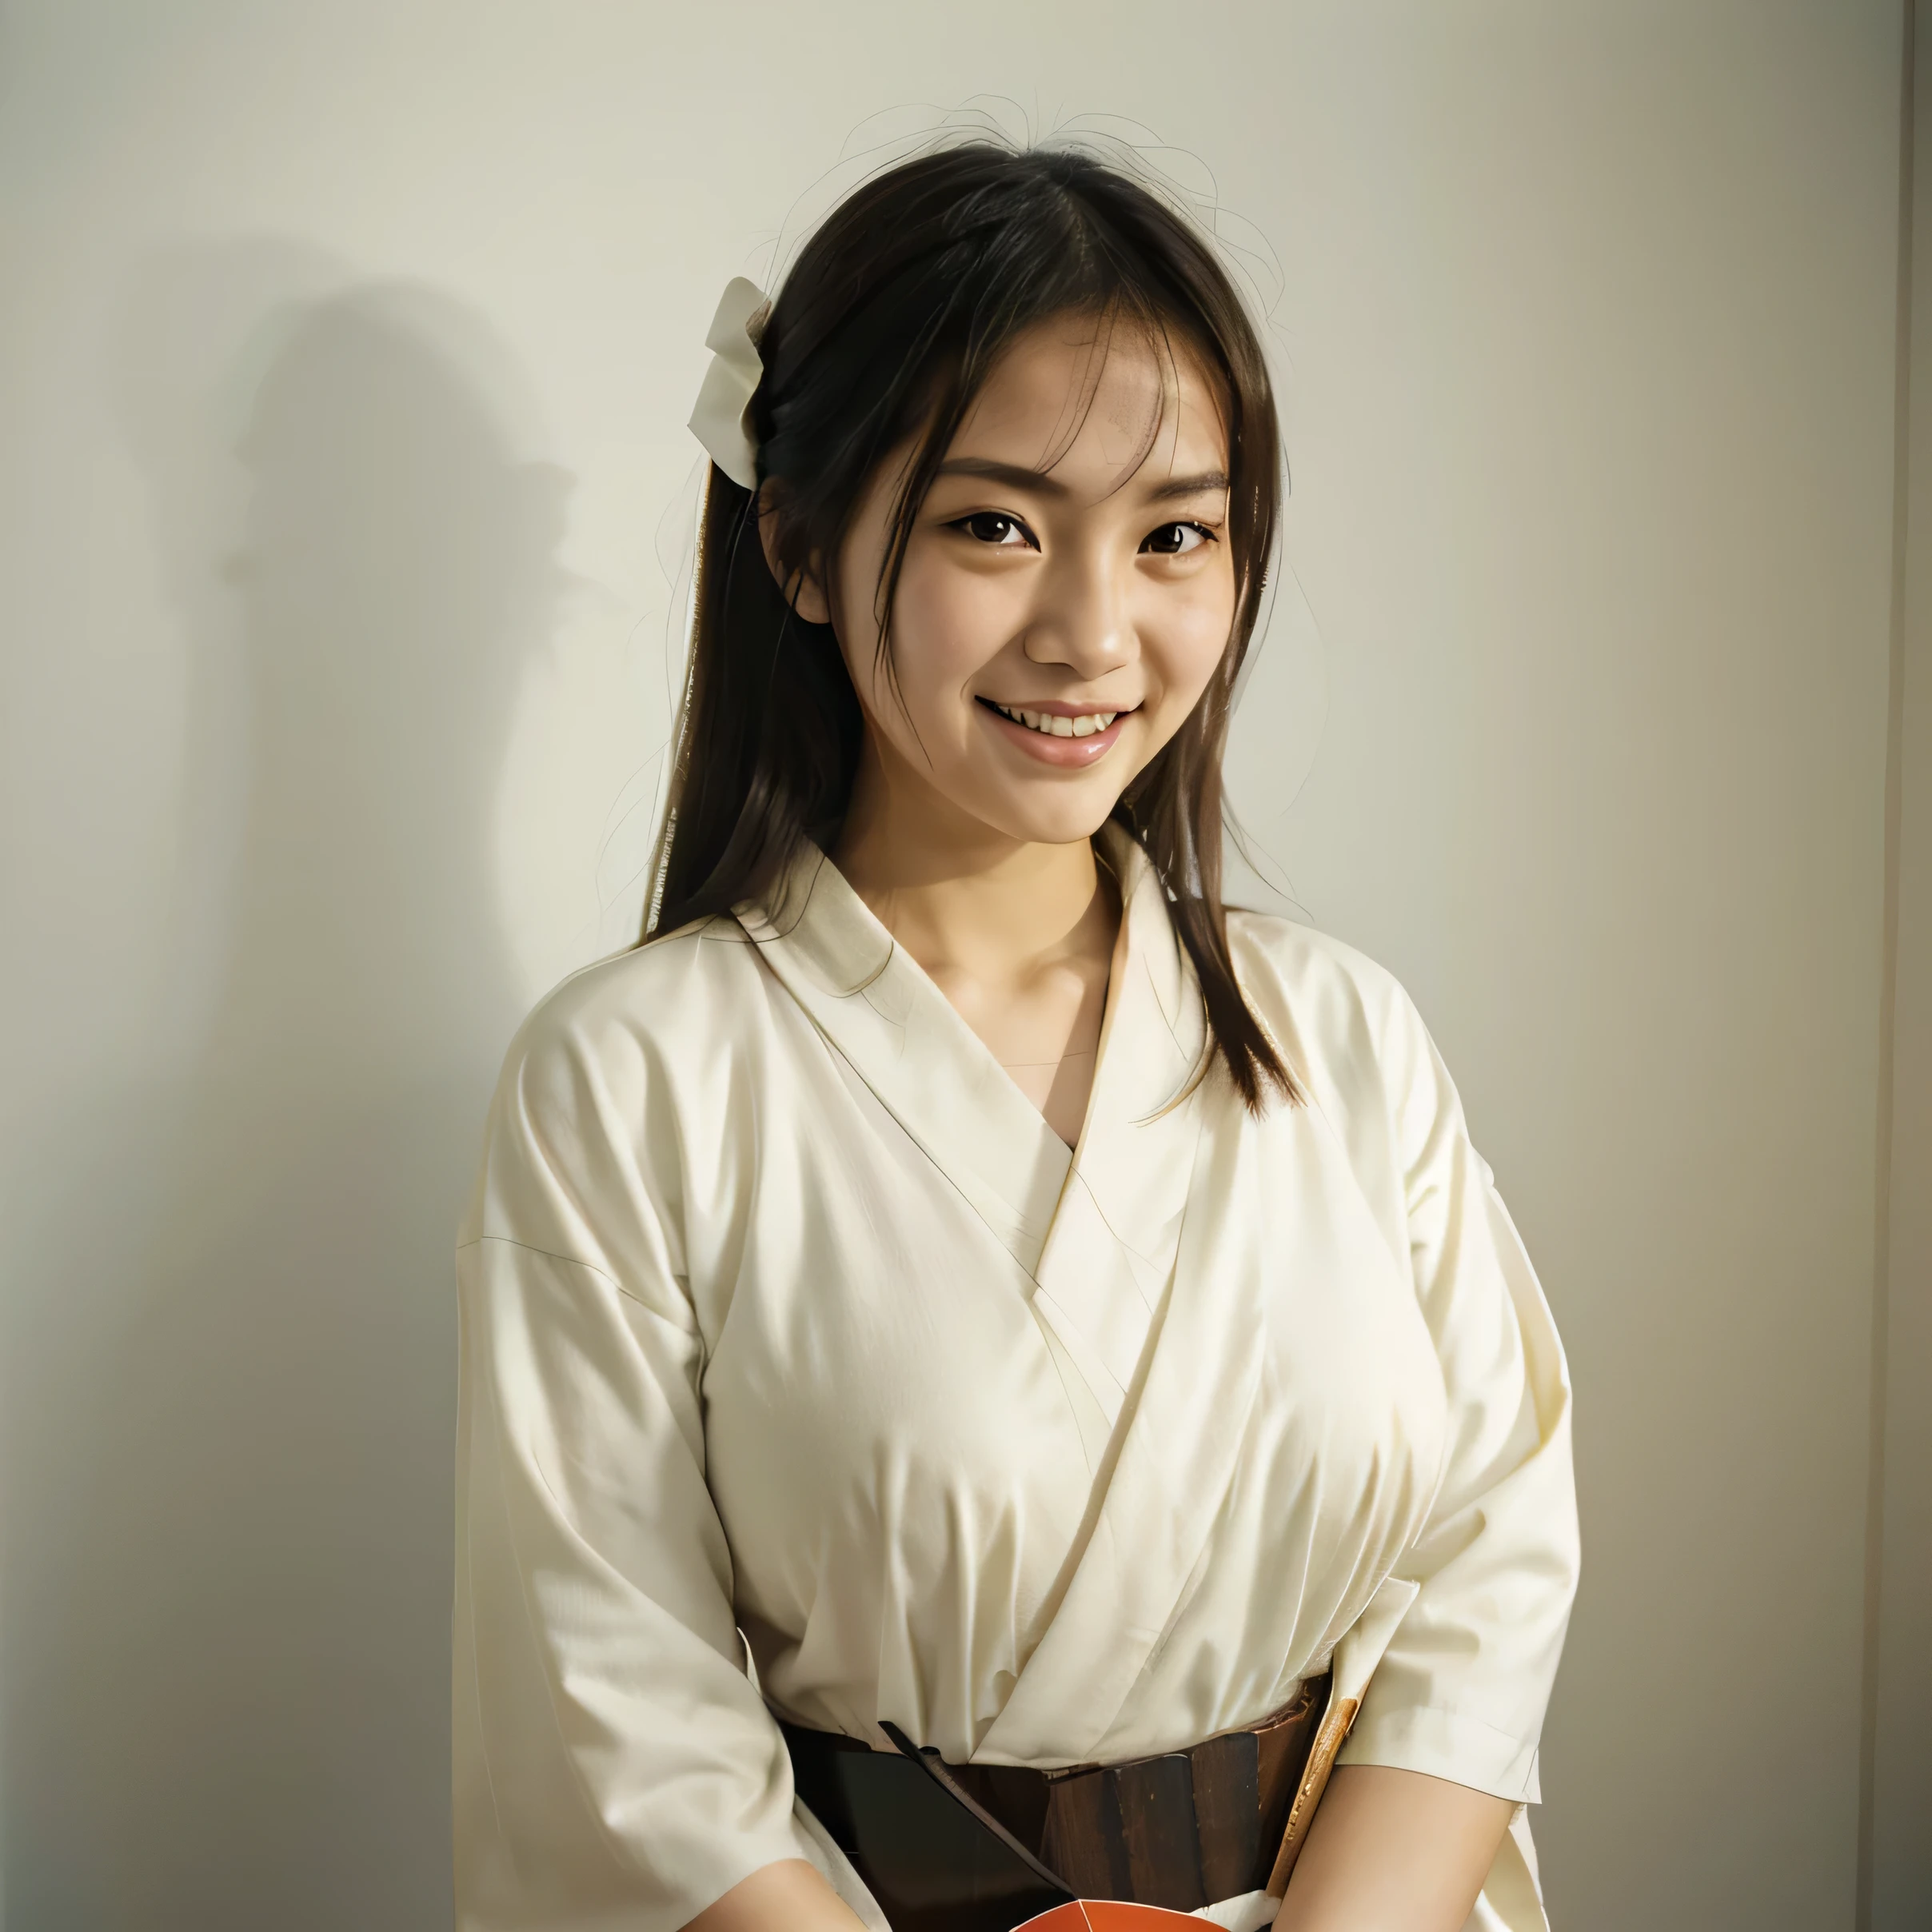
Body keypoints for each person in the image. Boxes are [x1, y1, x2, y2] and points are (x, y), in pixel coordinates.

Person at [452, 142, 1579, 1932]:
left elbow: (1488, 1553)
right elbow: (622, 1703)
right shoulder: (634, 1077)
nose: (1092, 631)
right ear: (802, 547)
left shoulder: (1340, 1032)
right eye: (994, 523)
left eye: (1173, 535)